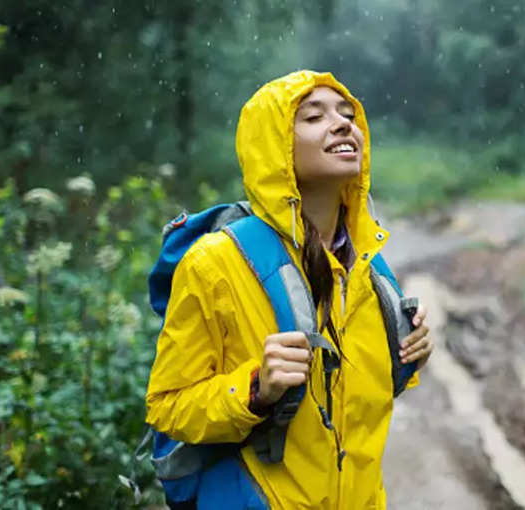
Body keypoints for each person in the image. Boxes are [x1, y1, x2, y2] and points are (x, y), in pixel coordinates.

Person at [145, 70, 432, 509]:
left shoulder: (367, 271)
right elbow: (168, 407)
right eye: (313, 117)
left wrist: (408, 355)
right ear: (273, 148)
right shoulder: (215, 263)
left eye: (348, 115)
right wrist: (256, 388)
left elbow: (353, 408)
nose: (342, 124)